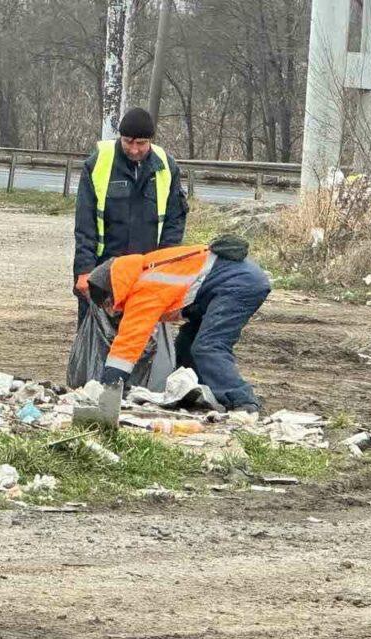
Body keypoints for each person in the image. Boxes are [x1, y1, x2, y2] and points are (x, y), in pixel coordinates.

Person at [85, 235, 270, 414]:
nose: (113, 311)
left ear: (112, 292)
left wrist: (109, 388)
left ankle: (243, 401)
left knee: (208, 347)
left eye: (109, 305)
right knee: (186, 345)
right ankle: (195, 395)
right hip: (230, 281)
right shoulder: (142, 271)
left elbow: (128, 343)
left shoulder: (144, 288)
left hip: (237, 283)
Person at [73, 107, 188, 323]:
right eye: (128, 142)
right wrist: (84, 269)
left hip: (146, 271)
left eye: (141, 144)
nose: (134, 149)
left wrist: (166, 268)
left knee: (140, 339)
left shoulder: (166, 167)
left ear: (151, 141)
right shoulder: (98, 163)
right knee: (96, 339)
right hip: (103, 269)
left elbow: (174, 222)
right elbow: (84, 222)